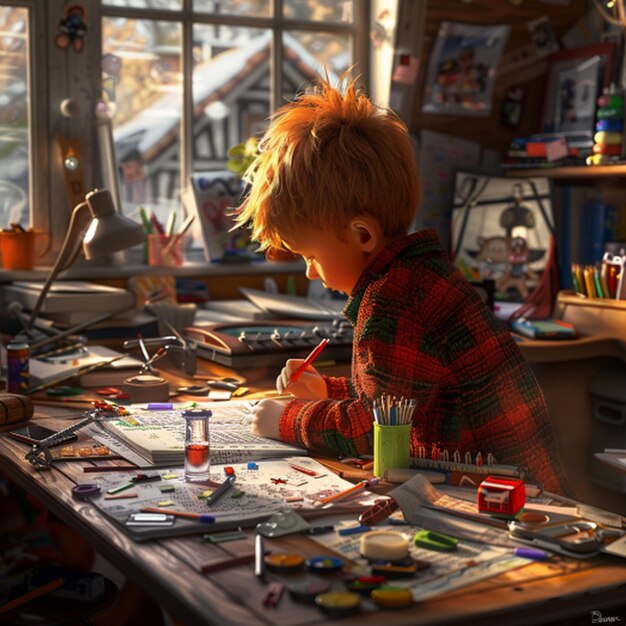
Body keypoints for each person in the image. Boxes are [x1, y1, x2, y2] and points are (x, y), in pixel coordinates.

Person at [234, 74, 572, 496]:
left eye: (310, 257)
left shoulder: (392, 301)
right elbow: (403, 394)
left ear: (362, 236)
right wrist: (326, 388)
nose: (310, 273)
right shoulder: (420, 274)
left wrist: (288, 421)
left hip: (504, 500)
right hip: (517, 487)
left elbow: (373, 428)